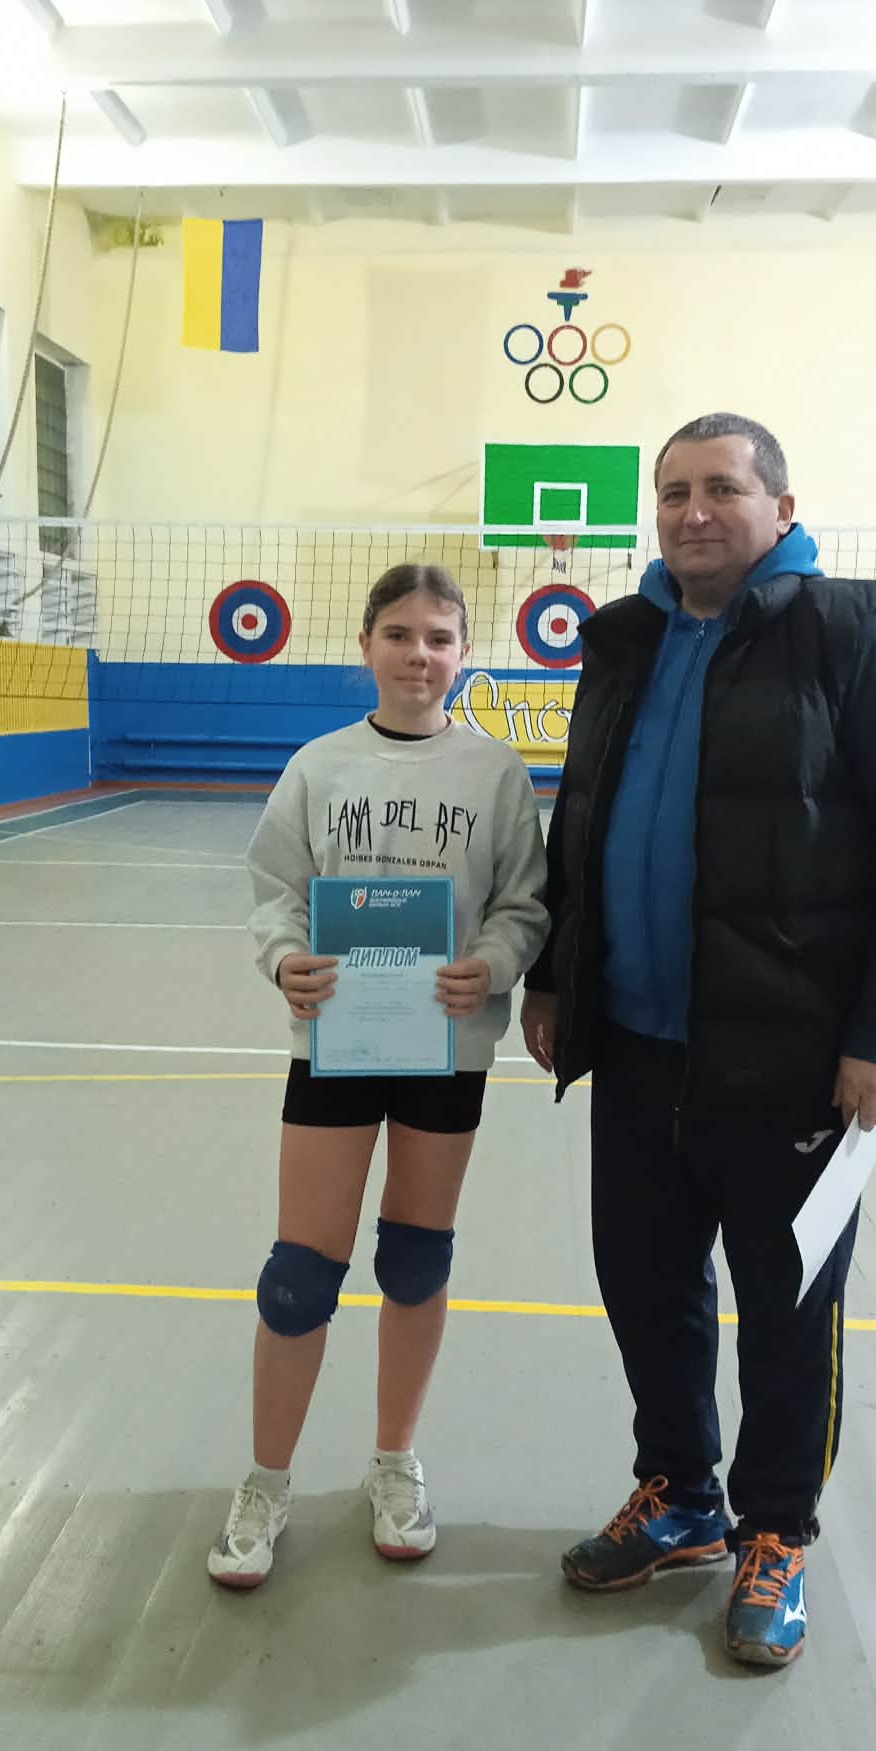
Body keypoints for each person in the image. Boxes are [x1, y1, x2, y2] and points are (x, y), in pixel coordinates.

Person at [522, 413, 876, 1667]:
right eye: (673, 491)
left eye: (722, 487)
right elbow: (582, 820)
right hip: (638, 1045)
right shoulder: (623, 640)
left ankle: (777, 1528)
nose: (693, 511)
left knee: (788, 1306)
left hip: (795, 1056)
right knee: (646, 1284)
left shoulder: (856, 634)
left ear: (782, 506)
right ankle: (679, 1494)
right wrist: (557, 974)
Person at [210, 562, 549, 1588]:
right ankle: (266, 1481)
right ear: (366, 646)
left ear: (465, 654)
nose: (418, 655)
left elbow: (524, 901)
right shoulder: (319, 766)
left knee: (414, 1257)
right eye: (399, 634)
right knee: (300, 1274)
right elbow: (277, 889)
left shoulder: (495, 773)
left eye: (439, 637)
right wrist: (286, 960)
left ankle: (394, 1463)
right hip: (339, 1041)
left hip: (447, 1041)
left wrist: (494, 961)